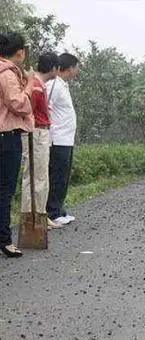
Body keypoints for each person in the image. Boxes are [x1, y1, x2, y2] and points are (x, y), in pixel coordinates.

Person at [0, 32, 35, 258]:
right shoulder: (7, 73)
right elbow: (19, 104)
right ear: (20, 52)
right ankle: (4, 239)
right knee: (4, 189)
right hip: (6, 138)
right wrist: (30, 84)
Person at [21, 52, 61, 231]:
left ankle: (41, 214)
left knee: (41, 176)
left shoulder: (39, 84)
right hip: (36, 133)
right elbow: (27, 110)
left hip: (42, 133)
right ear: (53, 68)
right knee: (35, 176)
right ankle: (32, 216)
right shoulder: (36, 85)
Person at [46, 53, 80, 226]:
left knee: (63, 175)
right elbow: (46, 108)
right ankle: (52, 212)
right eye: (77, 67)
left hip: (66, 139)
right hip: (57, 139)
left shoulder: (63, 85)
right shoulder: (54, 85)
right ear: (70, 68)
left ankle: (59, 209)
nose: (77, 71)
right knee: (57, 175)